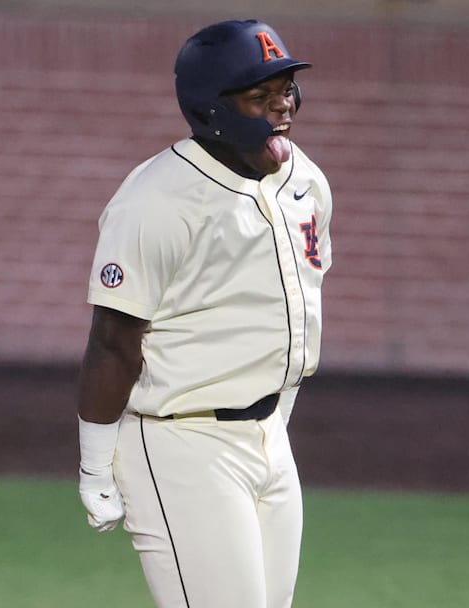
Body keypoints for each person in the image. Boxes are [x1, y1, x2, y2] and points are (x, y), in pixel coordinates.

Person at [75, 19, 332, 608]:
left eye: (286, 89)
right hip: (183, 443)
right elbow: (113, 341)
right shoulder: (157, 198)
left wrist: (277, 415)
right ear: (212, 107)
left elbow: (296, 314)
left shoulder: (304, 180)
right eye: (260, 96)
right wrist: (95, 466)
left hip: (270, 440)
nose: (282, 107)